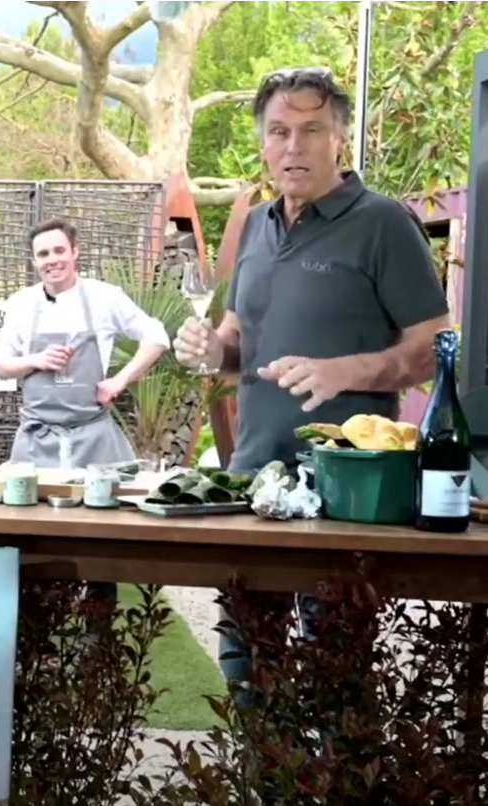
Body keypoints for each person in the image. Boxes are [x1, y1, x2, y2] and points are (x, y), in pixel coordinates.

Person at [172, 67, 449, 699]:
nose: (293, 146)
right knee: (246, 670)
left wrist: (343, 371)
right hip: (253, 480)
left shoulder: (384, 223)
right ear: (264, 142)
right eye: (279, 131)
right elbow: (241, 341)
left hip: (346, 490)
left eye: (311, 130)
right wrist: (213, 350)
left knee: (335, 680)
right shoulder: (257, 226)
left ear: (338, 140)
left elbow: (435, 348)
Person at [0, 218, 171, 618]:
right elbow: (2, 365)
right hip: (37, 440)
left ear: (75, 252)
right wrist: (36, 360)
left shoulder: (105, 298)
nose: (52, 260)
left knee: (99, 540)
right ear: (34, 261)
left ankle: (98, 633)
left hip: (94, 438)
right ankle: (36, 630)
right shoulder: (21, 304)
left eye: (59, 250)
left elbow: (157, 336)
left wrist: (120, 380)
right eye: (43, 254)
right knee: (30, 536)